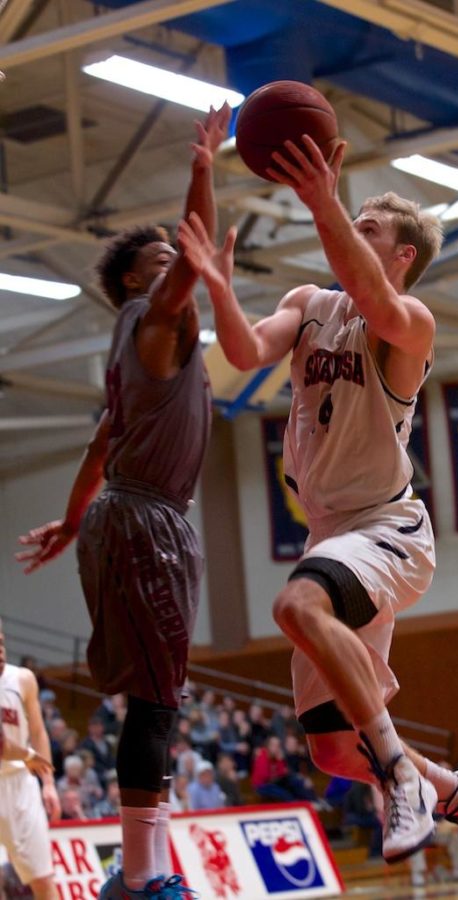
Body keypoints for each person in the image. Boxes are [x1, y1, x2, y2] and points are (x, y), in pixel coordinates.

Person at [189, 132, 458, 883]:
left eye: (367, 228)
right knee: (331, 750)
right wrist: (218, 288)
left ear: (399, 258)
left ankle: (398, 776)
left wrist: (321, 198)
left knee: (296, 606)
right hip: (330, 537)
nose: (346, 228)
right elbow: (241, 352)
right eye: (348, 219)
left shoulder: (408, 327)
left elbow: (368, 292)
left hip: (387, 531)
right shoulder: (307, 306)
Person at [15, 104, 231, 900]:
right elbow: (187, 263)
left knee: (155, 698)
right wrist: (204, 167)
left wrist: (74, 521)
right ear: (138, 279)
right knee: (155, 704)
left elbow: (100, 443)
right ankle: (141, 878)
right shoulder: (150, 315)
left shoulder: (144, 353)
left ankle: (141, 870)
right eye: (166, 256)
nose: (180, 257)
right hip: (145, 520)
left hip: (127, 515)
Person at [0, 619, 60, 900]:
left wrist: (48, 782)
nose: (0, 651)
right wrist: (29, 755)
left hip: (21, 784)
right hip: (17, 764)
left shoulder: (22, 679)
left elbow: (37, 730)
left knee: (43, 879)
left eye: (1, 643)